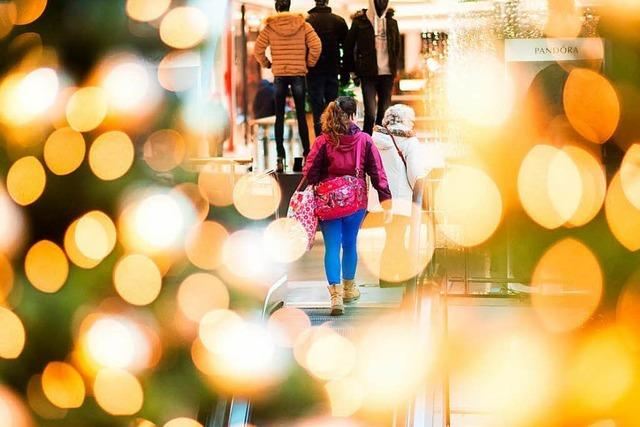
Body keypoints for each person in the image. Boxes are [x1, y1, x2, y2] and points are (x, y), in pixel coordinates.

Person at [303, 96, 392, 316]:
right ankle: (350, 288)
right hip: (355, 201)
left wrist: (307, 189)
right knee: (350, 244)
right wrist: (386, 199)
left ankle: (335, 297)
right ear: (353, 115)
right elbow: (377, 173)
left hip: (329, 201)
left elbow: (310, 172)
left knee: (332, 247)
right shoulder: (364, 140)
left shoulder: (323, 141)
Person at [254, 0, 322, 172]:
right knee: (300, 115)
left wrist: (267, 64)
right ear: (289, 6)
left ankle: (280, 156)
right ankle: (307, 153)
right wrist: (308, 62)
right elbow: (316, 45)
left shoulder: (269, 27)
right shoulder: (302, 24)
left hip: (280, 75)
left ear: (277, 8)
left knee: (279, 117)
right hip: (299, 74)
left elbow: (258, 49)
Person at [369, 104, 428, 285]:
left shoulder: (374, 139)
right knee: (397, 236)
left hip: (381, 198)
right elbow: (415, 172)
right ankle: (390, 278)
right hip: (401, 198)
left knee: (393, 235)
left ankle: (392, 276)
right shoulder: (409, 141)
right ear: (407, 120)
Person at [344, 0, 401, 135]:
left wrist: (394, 69)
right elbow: (349, 46)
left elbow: (397, 47)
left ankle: (380, 144)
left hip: (387, 74)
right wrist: (352, 71)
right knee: (370, 113)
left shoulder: (392, 23)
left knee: (384, 113)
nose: (381, 3)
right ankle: (367, 143)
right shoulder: (360, 23)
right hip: (368, 73)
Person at [306, 0, 349, 139]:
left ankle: (320, 141)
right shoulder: (338, 21)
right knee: (332, 105)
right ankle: (333, 139)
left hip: (313, 69)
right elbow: (347, 48)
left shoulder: (307, 21)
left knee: (317, 106)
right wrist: (345, 71)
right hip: (332, 68)